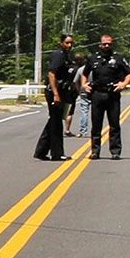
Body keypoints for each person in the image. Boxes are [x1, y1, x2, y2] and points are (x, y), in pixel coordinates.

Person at [82, 31, 130, 157]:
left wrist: (124, 84)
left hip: (112, 95)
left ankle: (115, 151)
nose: (106, 46)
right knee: (96, 125)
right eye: (104, 44)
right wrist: (84, 85)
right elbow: (84, 73)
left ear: (112, 45)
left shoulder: (118, 58)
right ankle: (95, 151)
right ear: (100, 45)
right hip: (97, 94)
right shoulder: (92, 58)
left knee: (114, 124)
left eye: (109, 44)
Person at [35, 31, 78, 162]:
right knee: (56, 124)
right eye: (67, 42)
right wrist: (55, 94)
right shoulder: (58, 55)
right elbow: (52, 74)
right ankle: (57, 154)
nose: (69, 45)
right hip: (55, 92)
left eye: (71, 43)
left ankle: (41, 151)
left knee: (54, 121)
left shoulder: (66, 55)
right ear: (61, 43)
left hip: (63, 91)